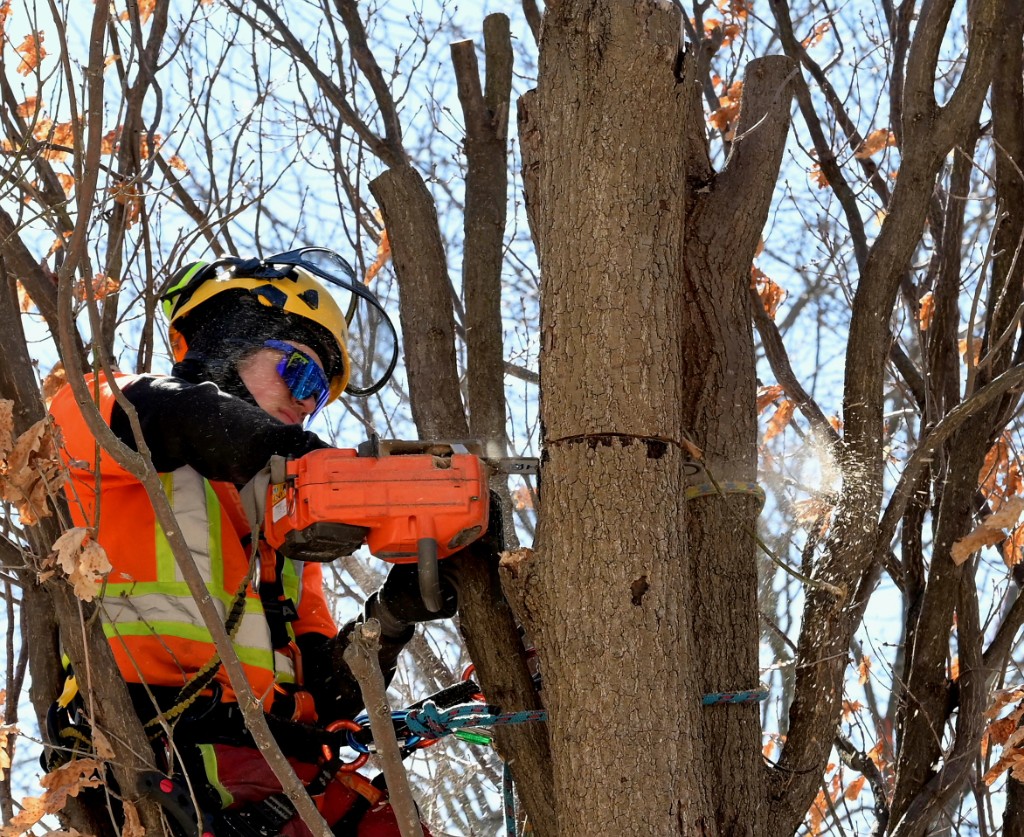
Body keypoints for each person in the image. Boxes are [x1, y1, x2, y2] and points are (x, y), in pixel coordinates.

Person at [48, 249, 457, 836]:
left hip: (282, 771)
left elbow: (324, 685)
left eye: (316, 395)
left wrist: (396, 612)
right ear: (226, 341)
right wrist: (309, 458)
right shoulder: (108, 411)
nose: (303, 401)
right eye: (298, 372)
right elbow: (178, 413)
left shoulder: (280, 526)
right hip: (157, 751)